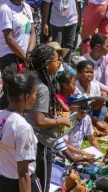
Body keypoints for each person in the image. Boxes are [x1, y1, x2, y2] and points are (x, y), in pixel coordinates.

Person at [26, 44, 71, 192]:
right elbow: (40, 121)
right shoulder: (43, 88)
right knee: (42, 185)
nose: (59, 63)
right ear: (47, 63)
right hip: (42, 143)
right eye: (56, 61)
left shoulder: (34, 80)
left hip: (32, 141)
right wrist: (61, 120)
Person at [0, 67, 40, 192]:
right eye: (35, 93)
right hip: (22, 185)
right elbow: (23, 172)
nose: (36, 97)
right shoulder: (23, 127)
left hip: (4, 181)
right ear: (26, 96)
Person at [0, 0, 36, 80]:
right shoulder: (5, 9)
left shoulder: (27, 7)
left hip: (25, 56)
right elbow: (9, 38)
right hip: (10, 57)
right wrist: (24, 57)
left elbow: (32, 31)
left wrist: (29, 53)